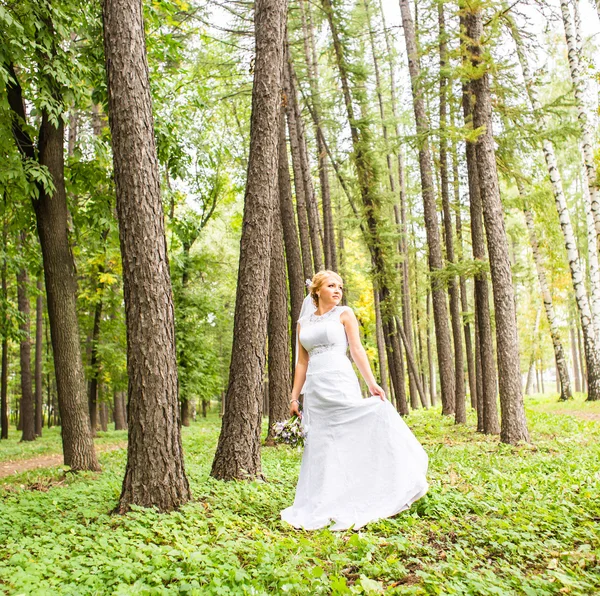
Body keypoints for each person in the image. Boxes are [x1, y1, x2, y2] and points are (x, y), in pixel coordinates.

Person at [281, 270, 428, 531]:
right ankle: (322, 500)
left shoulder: (344, 313)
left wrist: (371, 383)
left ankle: (364, 491)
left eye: (340, 286)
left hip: (339, 380)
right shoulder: (303, 323)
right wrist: (295, 396)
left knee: (348, 435)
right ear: (316, 291)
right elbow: (301, 362)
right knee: (321, 444)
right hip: (315, 388)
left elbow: (357, 349)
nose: (337, 290)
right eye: (331, 285)